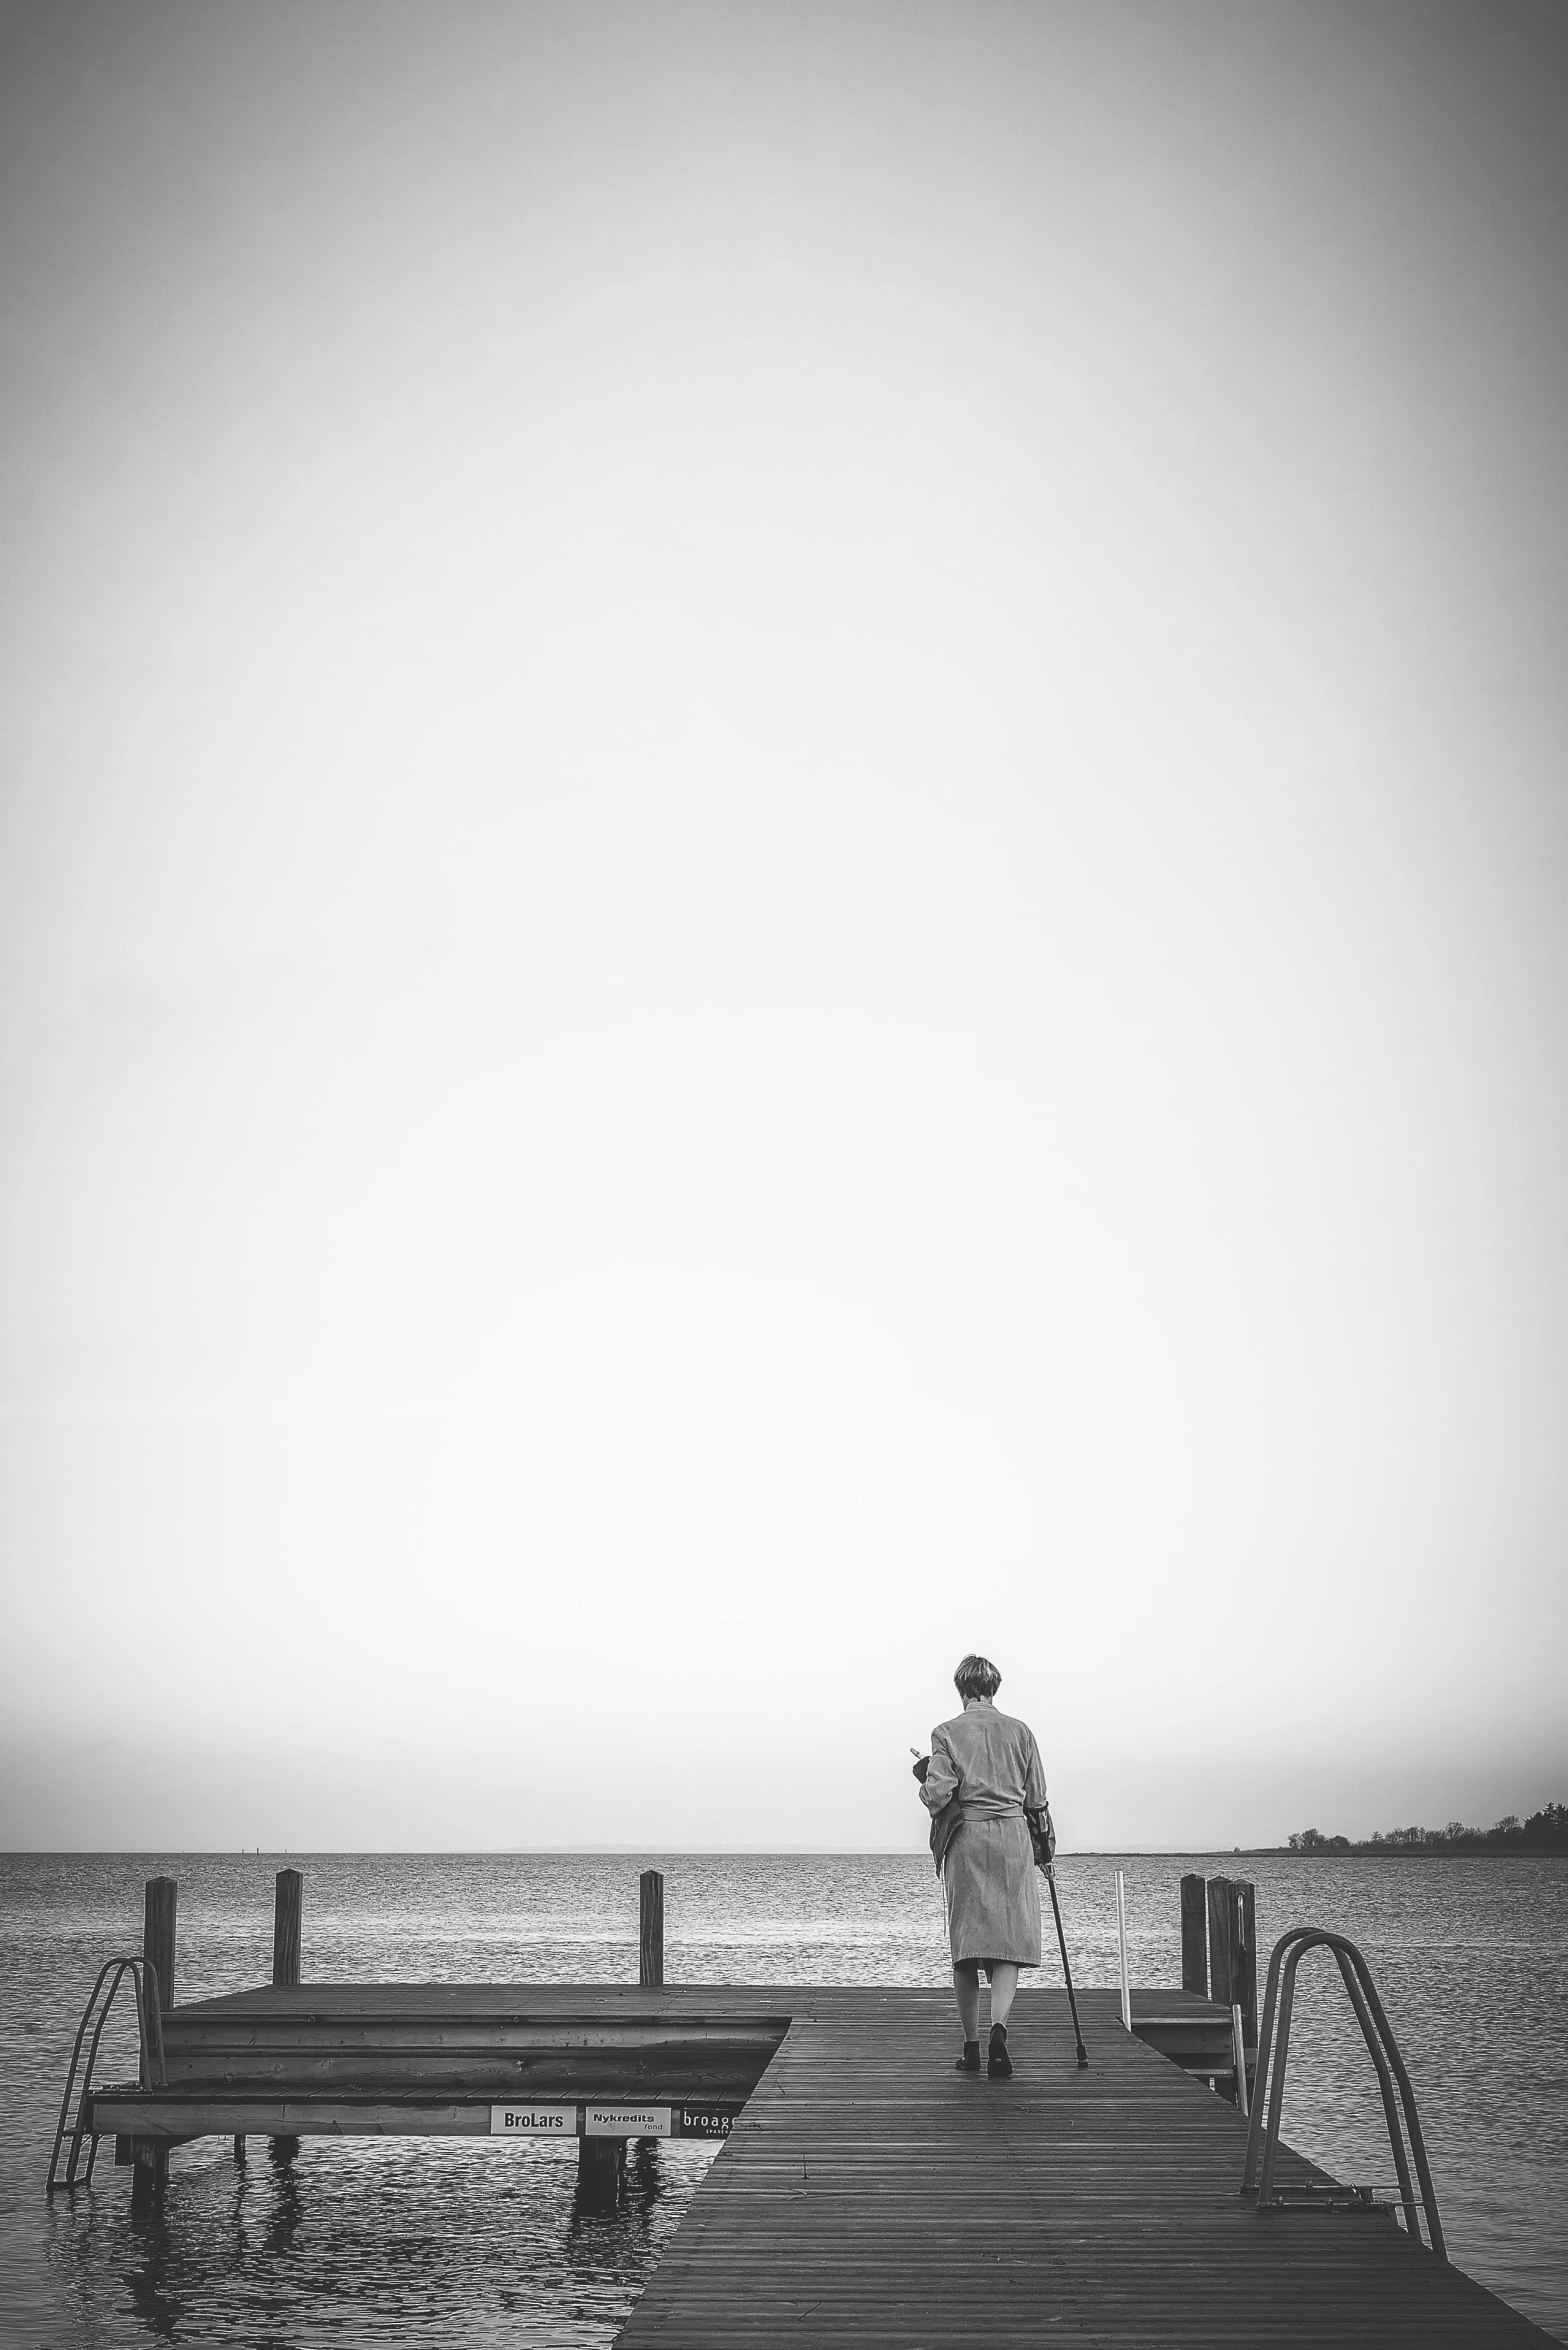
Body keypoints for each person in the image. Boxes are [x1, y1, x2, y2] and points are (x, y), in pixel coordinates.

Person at [913, 1653, 1049, 2078]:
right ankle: (998, 2031)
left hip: (968, 1839)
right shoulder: (1021, 1732)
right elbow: (1037, 1798)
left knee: (967, 1947)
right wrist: (1045, 1848)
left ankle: (971, 2048)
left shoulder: (946, 1733)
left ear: (961, 1689)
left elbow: (939, 1795)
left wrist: (923, 1775)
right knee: (1007, 1941)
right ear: (994, 1688)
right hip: (1012, 1839)